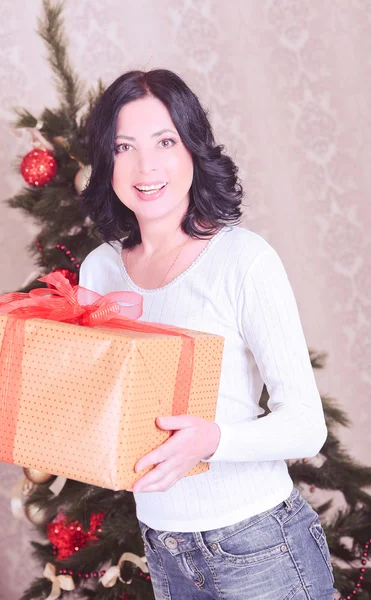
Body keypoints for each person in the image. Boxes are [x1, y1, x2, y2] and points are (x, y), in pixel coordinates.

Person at [79, 69, 337, 600]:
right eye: (124, 146)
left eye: (165, 141)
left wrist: (211, 440)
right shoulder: (98, 272)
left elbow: (307, 427)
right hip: (164, 548)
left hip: (260, 545)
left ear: (193, 150)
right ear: (107, 161)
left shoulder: (244, 260)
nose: (145, 165)